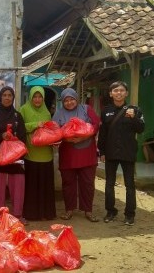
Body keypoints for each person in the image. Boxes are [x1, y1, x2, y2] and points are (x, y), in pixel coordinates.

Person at [98, 81, 145, 226]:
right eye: (115, 90)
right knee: (109, 184)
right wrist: (102, 152)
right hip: (111, 152)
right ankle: (110, 211)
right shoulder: (106, 111)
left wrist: (134, 118)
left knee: (130, 185)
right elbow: (103, 133)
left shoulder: (135, 110)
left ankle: (129, 214)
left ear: (126, 93)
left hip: (128, 152)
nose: (119, 93)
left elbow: (141, 129)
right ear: (111, 94)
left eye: (122, 90)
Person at [52, 88, 100, 222]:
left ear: (76, 99)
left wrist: (84, 137)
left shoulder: (86, 109)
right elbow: (54, 132)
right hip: (68, 155)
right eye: (66, 100)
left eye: (71, 99)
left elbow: (96, 124)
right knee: (68, 183)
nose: (69, 102)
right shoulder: (59, 114)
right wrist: (65, 139)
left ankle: (88, 210)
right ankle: (69, 210)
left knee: (88, 183)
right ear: (62, 102)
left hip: (87, 153)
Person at [0, 87, 27, 224]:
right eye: (4, 95)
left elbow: (22, 137)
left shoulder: (17, 116)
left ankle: (17, 216)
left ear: (13, 98)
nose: (7, 98)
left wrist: (13, 140)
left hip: (15, 158)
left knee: (18, 187)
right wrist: (1, 136)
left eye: (10, 95)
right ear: (0, 97)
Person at [19, 86, 56, 221]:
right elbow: (20, 127)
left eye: (40, 97)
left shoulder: (46, 112)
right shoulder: (23, 109)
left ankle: (46, 213)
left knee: (45, 186)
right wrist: (35, 124)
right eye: (35, 96)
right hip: (31, 153)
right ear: (30, 97)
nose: (37, 99)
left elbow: (49, 129)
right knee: (32, 186)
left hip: (46, 153)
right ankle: (32, 214)